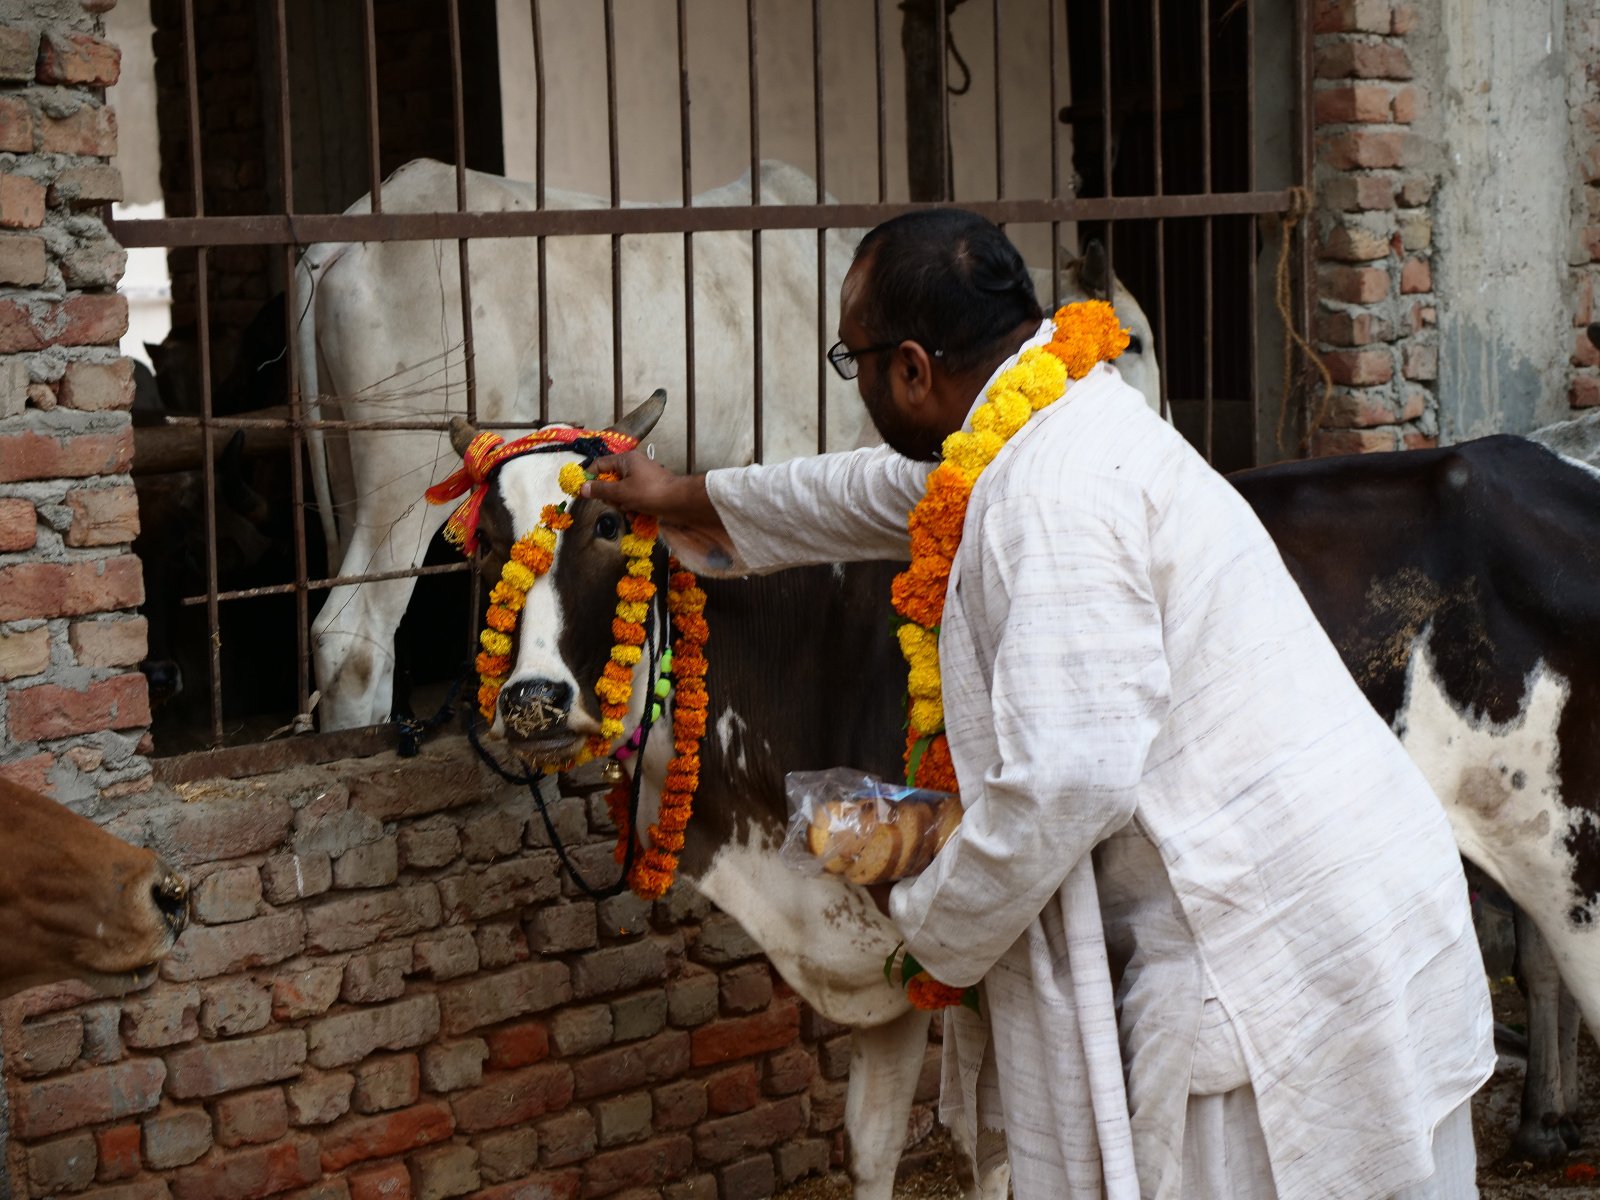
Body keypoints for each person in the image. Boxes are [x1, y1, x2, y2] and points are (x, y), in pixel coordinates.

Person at [583, 209, 1493, 1200]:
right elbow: (878, 492)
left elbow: (1067, 779)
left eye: (855, 360)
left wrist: (925, 916)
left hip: (1275, 952)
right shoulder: (1057, 416)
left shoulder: (1048, 496)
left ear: (914, 370)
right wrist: (680, 496)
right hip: (1348, 892)